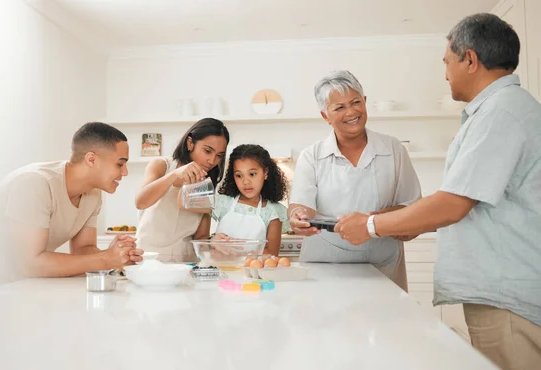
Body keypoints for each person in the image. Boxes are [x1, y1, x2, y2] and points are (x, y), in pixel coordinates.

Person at [337, 13, 541, 369]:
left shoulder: (501, 112)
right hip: (505, 293)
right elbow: (468, 203)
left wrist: (370, 226)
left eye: (447, 61)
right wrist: (401, 222)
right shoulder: (502, 110)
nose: (445, 72)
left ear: (471, 60)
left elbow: (453, 204)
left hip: (508, 299)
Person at [288, 70, 422, 291]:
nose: (351, 112)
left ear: (365, 102)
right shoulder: (312, 155)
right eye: (339, 107)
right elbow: (301, 205)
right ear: (325, 116)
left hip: (383, 268)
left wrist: (369, 221)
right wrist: (298, 217)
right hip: (325, 269)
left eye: (356, 102)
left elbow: (412, 208)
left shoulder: (393, 149)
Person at [0, 122, 143, 284]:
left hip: (21, 284)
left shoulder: (93, 193)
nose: (125, 172)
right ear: (91, 159)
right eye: (120, 164)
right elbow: (30, 264)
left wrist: (116, 256)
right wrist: (106, 259)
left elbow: (83, 250)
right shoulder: (35, 183)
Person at [135, 118, 229, 263]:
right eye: (207, 151)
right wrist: (174, 175)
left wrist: (213, 241)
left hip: (186, 262)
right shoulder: (162, 166)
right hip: (149, 258)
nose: (212, 161)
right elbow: (140, 202)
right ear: (190, 143)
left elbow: (200, 237)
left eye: (219, 156)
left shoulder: (207, 182)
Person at [208, 144, 290, 256]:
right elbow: (186, 204)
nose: (245, 182)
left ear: (265, 173)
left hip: (252, 272)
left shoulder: (273, 211)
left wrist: (238, 257)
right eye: (239, 175)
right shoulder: (222, 203)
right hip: (220, 270)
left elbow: (271, 253)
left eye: (252, 174)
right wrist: (212, 240)